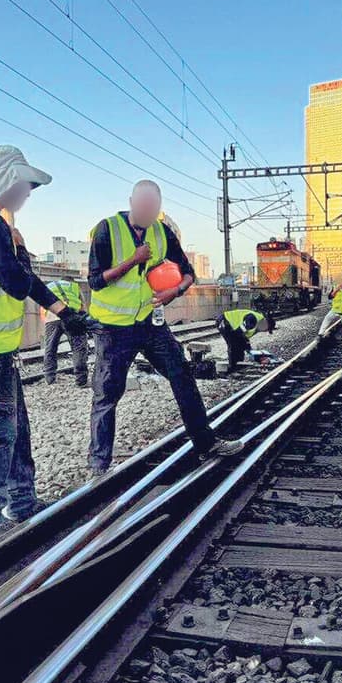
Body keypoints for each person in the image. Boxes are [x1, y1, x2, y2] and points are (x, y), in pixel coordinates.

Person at [0, 145, 90, 546]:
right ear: (5, 180)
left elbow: (23, 281)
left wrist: (65, 311)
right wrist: (20, 247)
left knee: (15, 427)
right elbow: (18, 281)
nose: (28, 193)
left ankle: (22, 502)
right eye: (25, 184)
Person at [87, 180, 242, 475]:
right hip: (113, 328)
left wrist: (176, 291)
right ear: (131, 201)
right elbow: (95, 280)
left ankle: (206, 443)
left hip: (149, 323)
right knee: (106, 394)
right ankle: (98, 467)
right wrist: (133, 260)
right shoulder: (107, 230)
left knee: (182, 374)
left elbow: (188, 273)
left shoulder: (161, 231)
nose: (148, 211)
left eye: (153, 207)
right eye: (143, 205)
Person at [42, 278, 89, 387]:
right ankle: (81, 380)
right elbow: (83, 307)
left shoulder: (49, 286)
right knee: (78, 347)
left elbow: (42, 306)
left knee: (50, 347)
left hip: (52, 317)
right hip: (72, 317)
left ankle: (49, 378)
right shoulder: (74, 286)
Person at [217, 308, 276, 372]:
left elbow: (244, 338)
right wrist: (248, 348)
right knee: (233, 343)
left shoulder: (257, 326)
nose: (264, 330)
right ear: (265, 322)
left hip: (232, 326)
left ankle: (237, 365)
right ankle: (232, 367)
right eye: (266, 329)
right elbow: (238, 333)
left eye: (266, 330)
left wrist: (254, 354)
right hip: (224, 320)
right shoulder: (252, 320)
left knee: (239, 345)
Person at [318, 274, 342, 346]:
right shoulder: (335, 287)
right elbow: (330, 297)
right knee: (327, 318)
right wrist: (336, 290)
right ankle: (320, 334)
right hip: (336, 309)